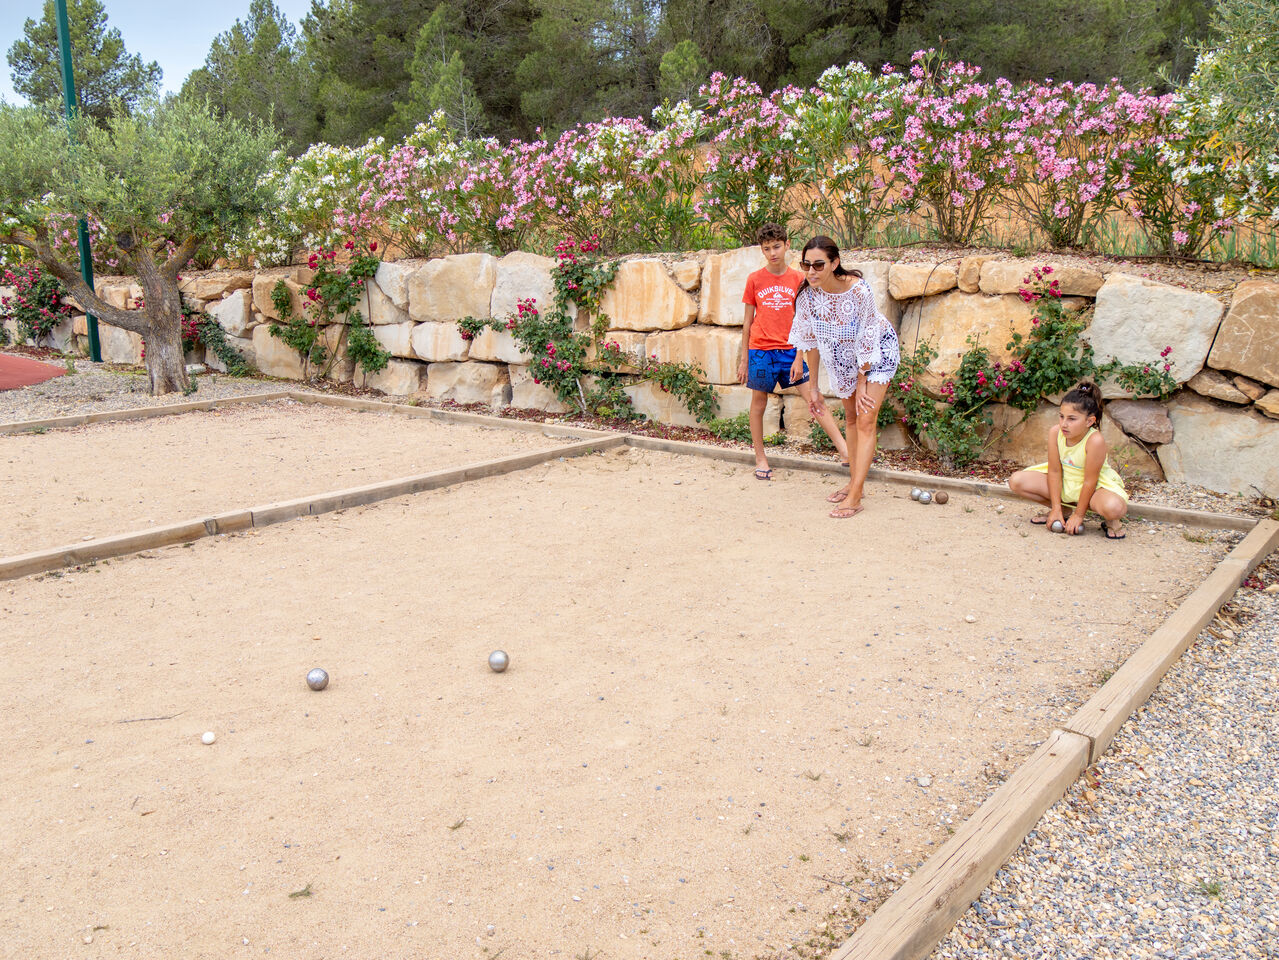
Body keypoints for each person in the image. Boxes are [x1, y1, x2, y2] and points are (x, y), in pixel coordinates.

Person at [788, 236, 899, 519]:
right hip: (843, 358)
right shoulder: (807, 297)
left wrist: (862, 381)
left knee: (865, 419)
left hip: (876, 352)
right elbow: (810, 341)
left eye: (818, 265)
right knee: (850, 418)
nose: (811, 271)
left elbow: (868, 335)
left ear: (834, 263)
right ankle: (853, 482)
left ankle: (856, 495)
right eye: (806, 265)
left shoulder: (859, 291)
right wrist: (813, 388)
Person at [737, 223, 848, 480]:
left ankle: (845, 451)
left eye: (777, 246)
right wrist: (744, 358)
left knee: (814, 399)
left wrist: (799, 355)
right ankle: (760, 457)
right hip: (761, 350)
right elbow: (747, 322)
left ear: (787, 245)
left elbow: (805, 321)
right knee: (758, 404)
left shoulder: (799, 279)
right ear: (761, 250)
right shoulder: (754, 279)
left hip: (790, 350)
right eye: (767, 248)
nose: (772, 252)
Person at [1007, 381, 1129, 539]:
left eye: (1072, 419)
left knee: (1114, 507)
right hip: (1065, 481)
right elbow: (1054, 471)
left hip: (1093, 487)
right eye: (1061, 416)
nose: (1064, 423)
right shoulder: (1055, 432)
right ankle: (1063, 511)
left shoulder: (1094, 440)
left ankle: (1111, 521)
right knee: (1016, 481)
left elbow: (1089, 481)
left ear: (1089, 421)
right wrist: (1055, 508)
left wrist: (1079, 515)